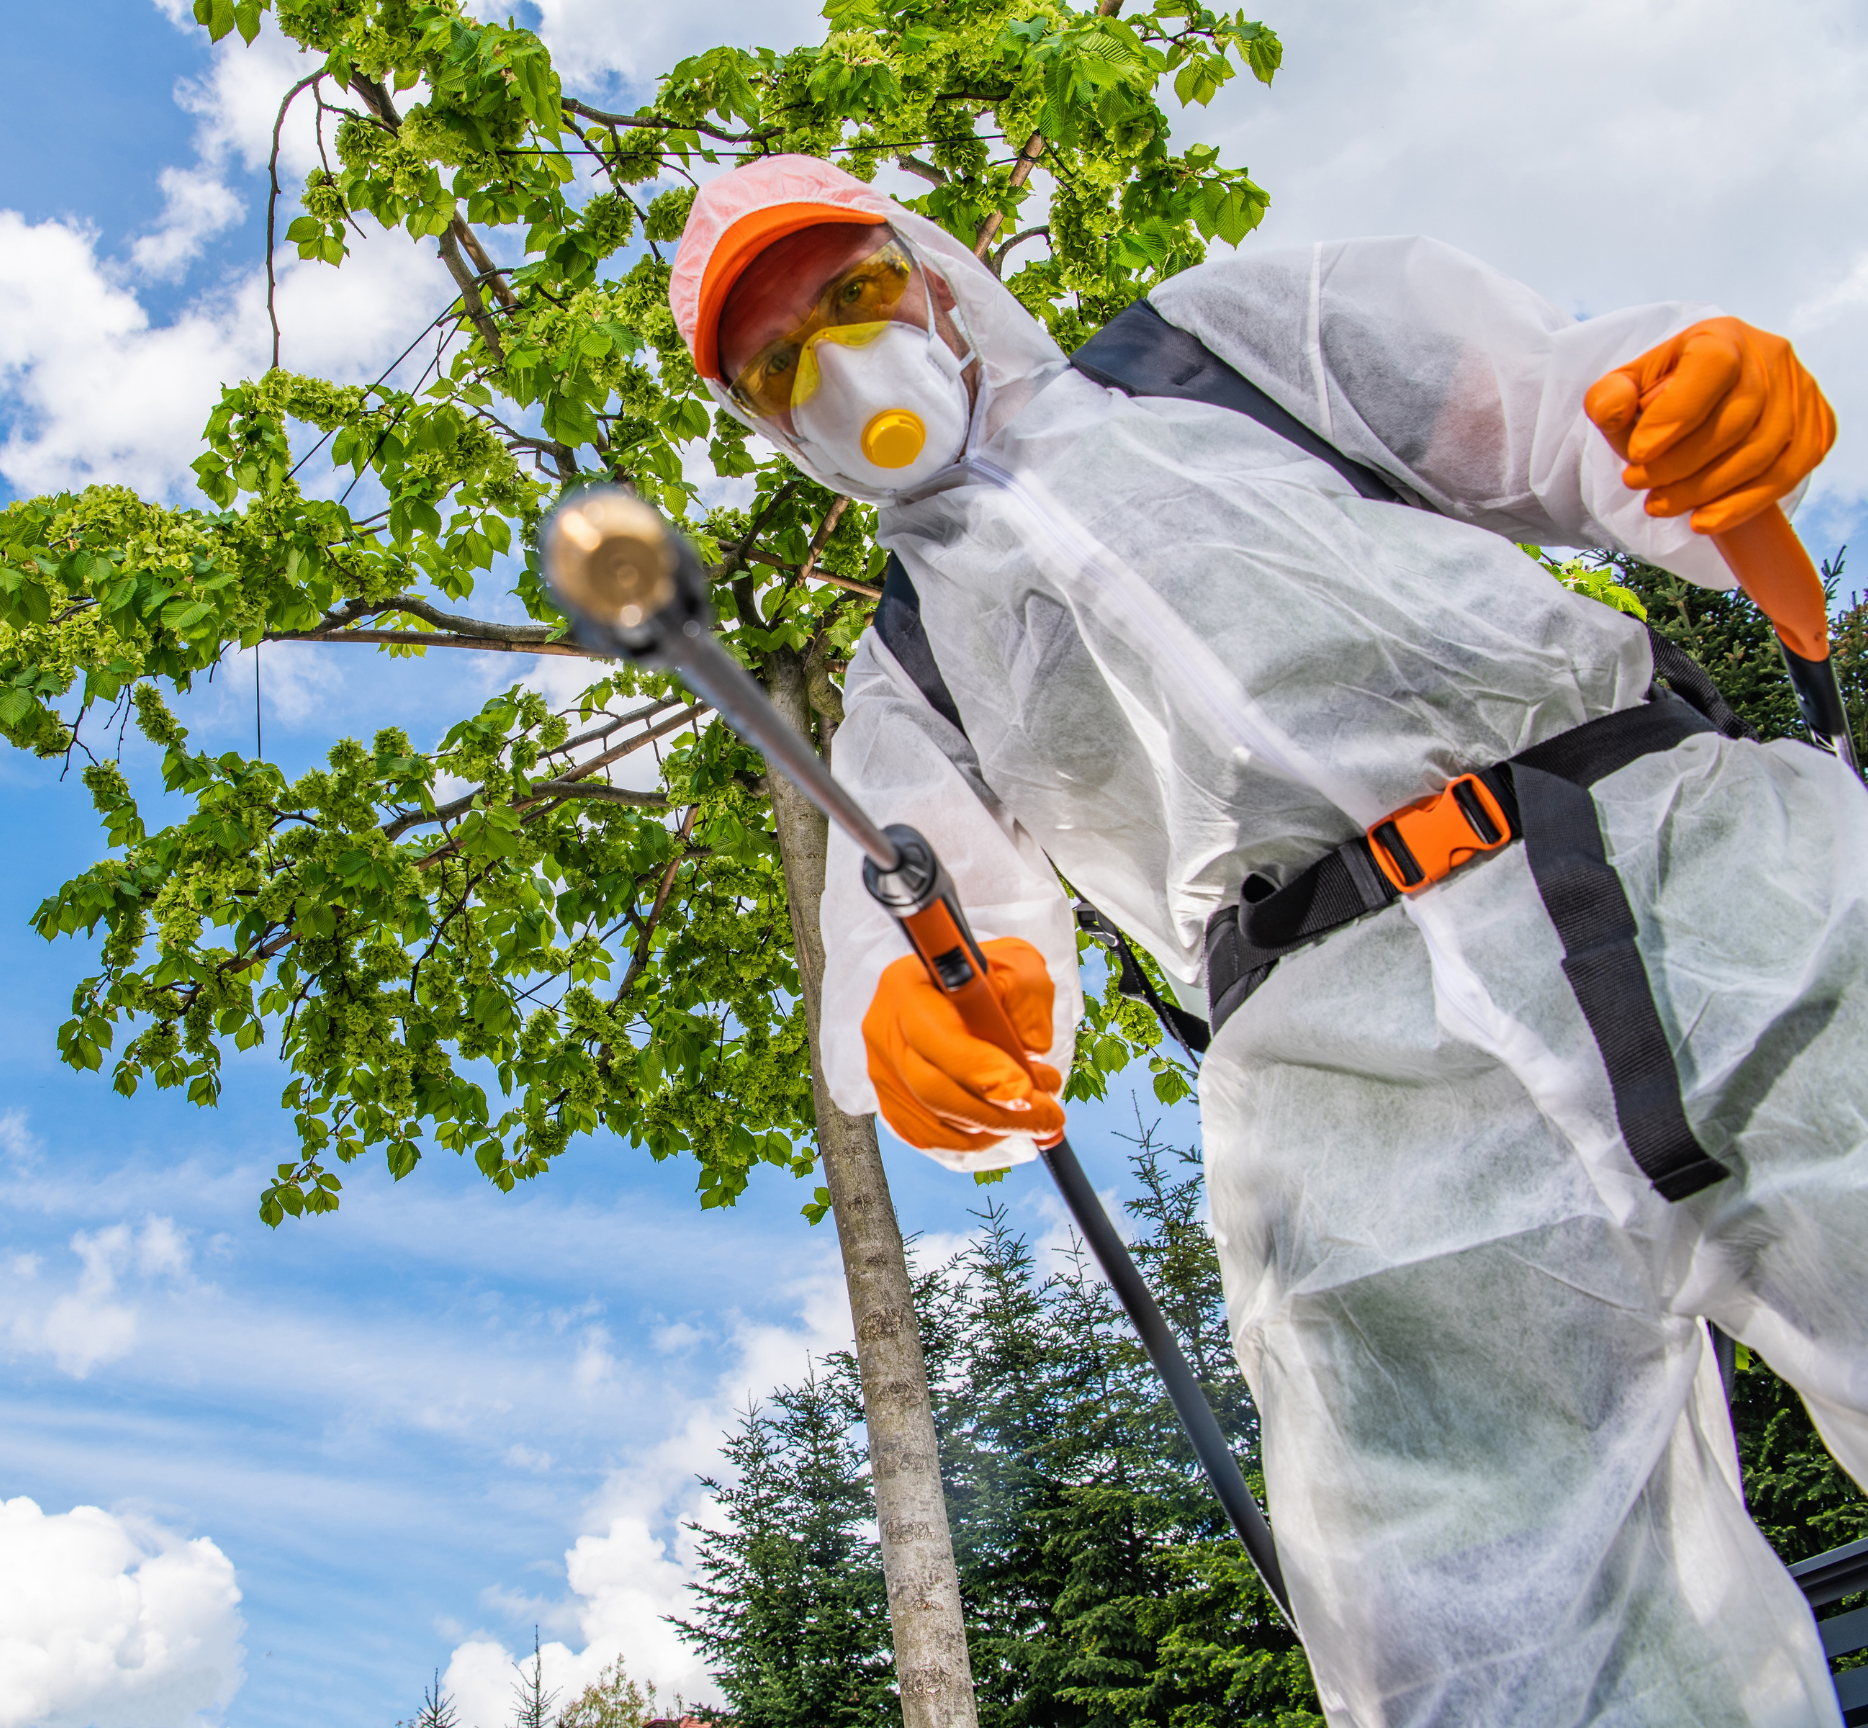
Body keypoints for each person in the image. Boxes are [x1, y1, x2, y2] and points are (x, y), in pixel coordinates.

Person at [667, 152, 1864, 1726]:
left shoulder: (1226, 349)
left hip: (1704, 881)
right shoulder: (907, 677)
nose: (838, 365)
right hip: (1350, 1104)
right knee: (1493, 1647)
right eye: (781, 365)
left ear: (938, 274)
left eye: (856, 296)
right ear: (769, 425)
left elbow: (1583, 416)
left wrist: (1689, 414)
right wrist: (925, 1026)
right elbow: (927, 947)